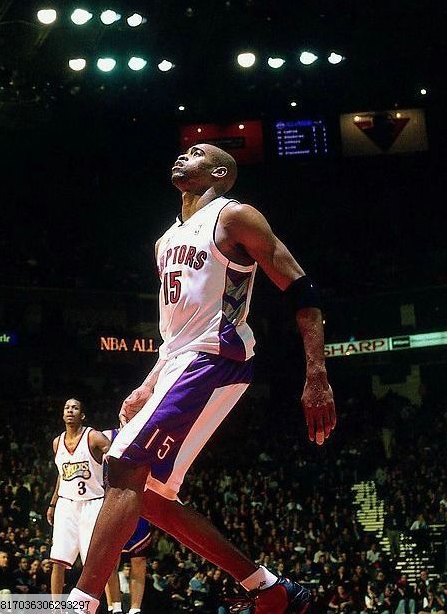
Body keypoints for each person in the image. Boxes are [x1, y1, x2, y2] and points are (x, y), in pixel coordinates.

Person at [68, 144, 337, 614]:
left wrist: (317, 373)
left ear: (219, 172)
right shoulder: (164, 240)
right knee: (149, 498)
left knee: (124, 464)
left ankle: (80, 604)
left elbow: (301, 286)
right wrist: (151, 381)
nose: (180, 156)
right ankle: (270, 588)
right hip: (179, 361)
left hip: (216, 355)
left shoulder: (234, 217)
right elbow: (173, 329)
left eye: (195, 153)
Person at [47, 400, 151, 599]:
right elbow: (62, 474)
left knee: (95, 564)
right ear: (62, 414)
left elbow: (117, 455)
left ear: (83, 415)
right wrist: (52, 503)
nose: (70, 410)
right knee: (57, 561)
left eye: (75, 408)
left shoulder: (93, 437)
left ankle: (112, 606)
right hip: (66, 505)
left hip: (93, 503)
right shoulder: (57, 442)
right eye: (67, 407)